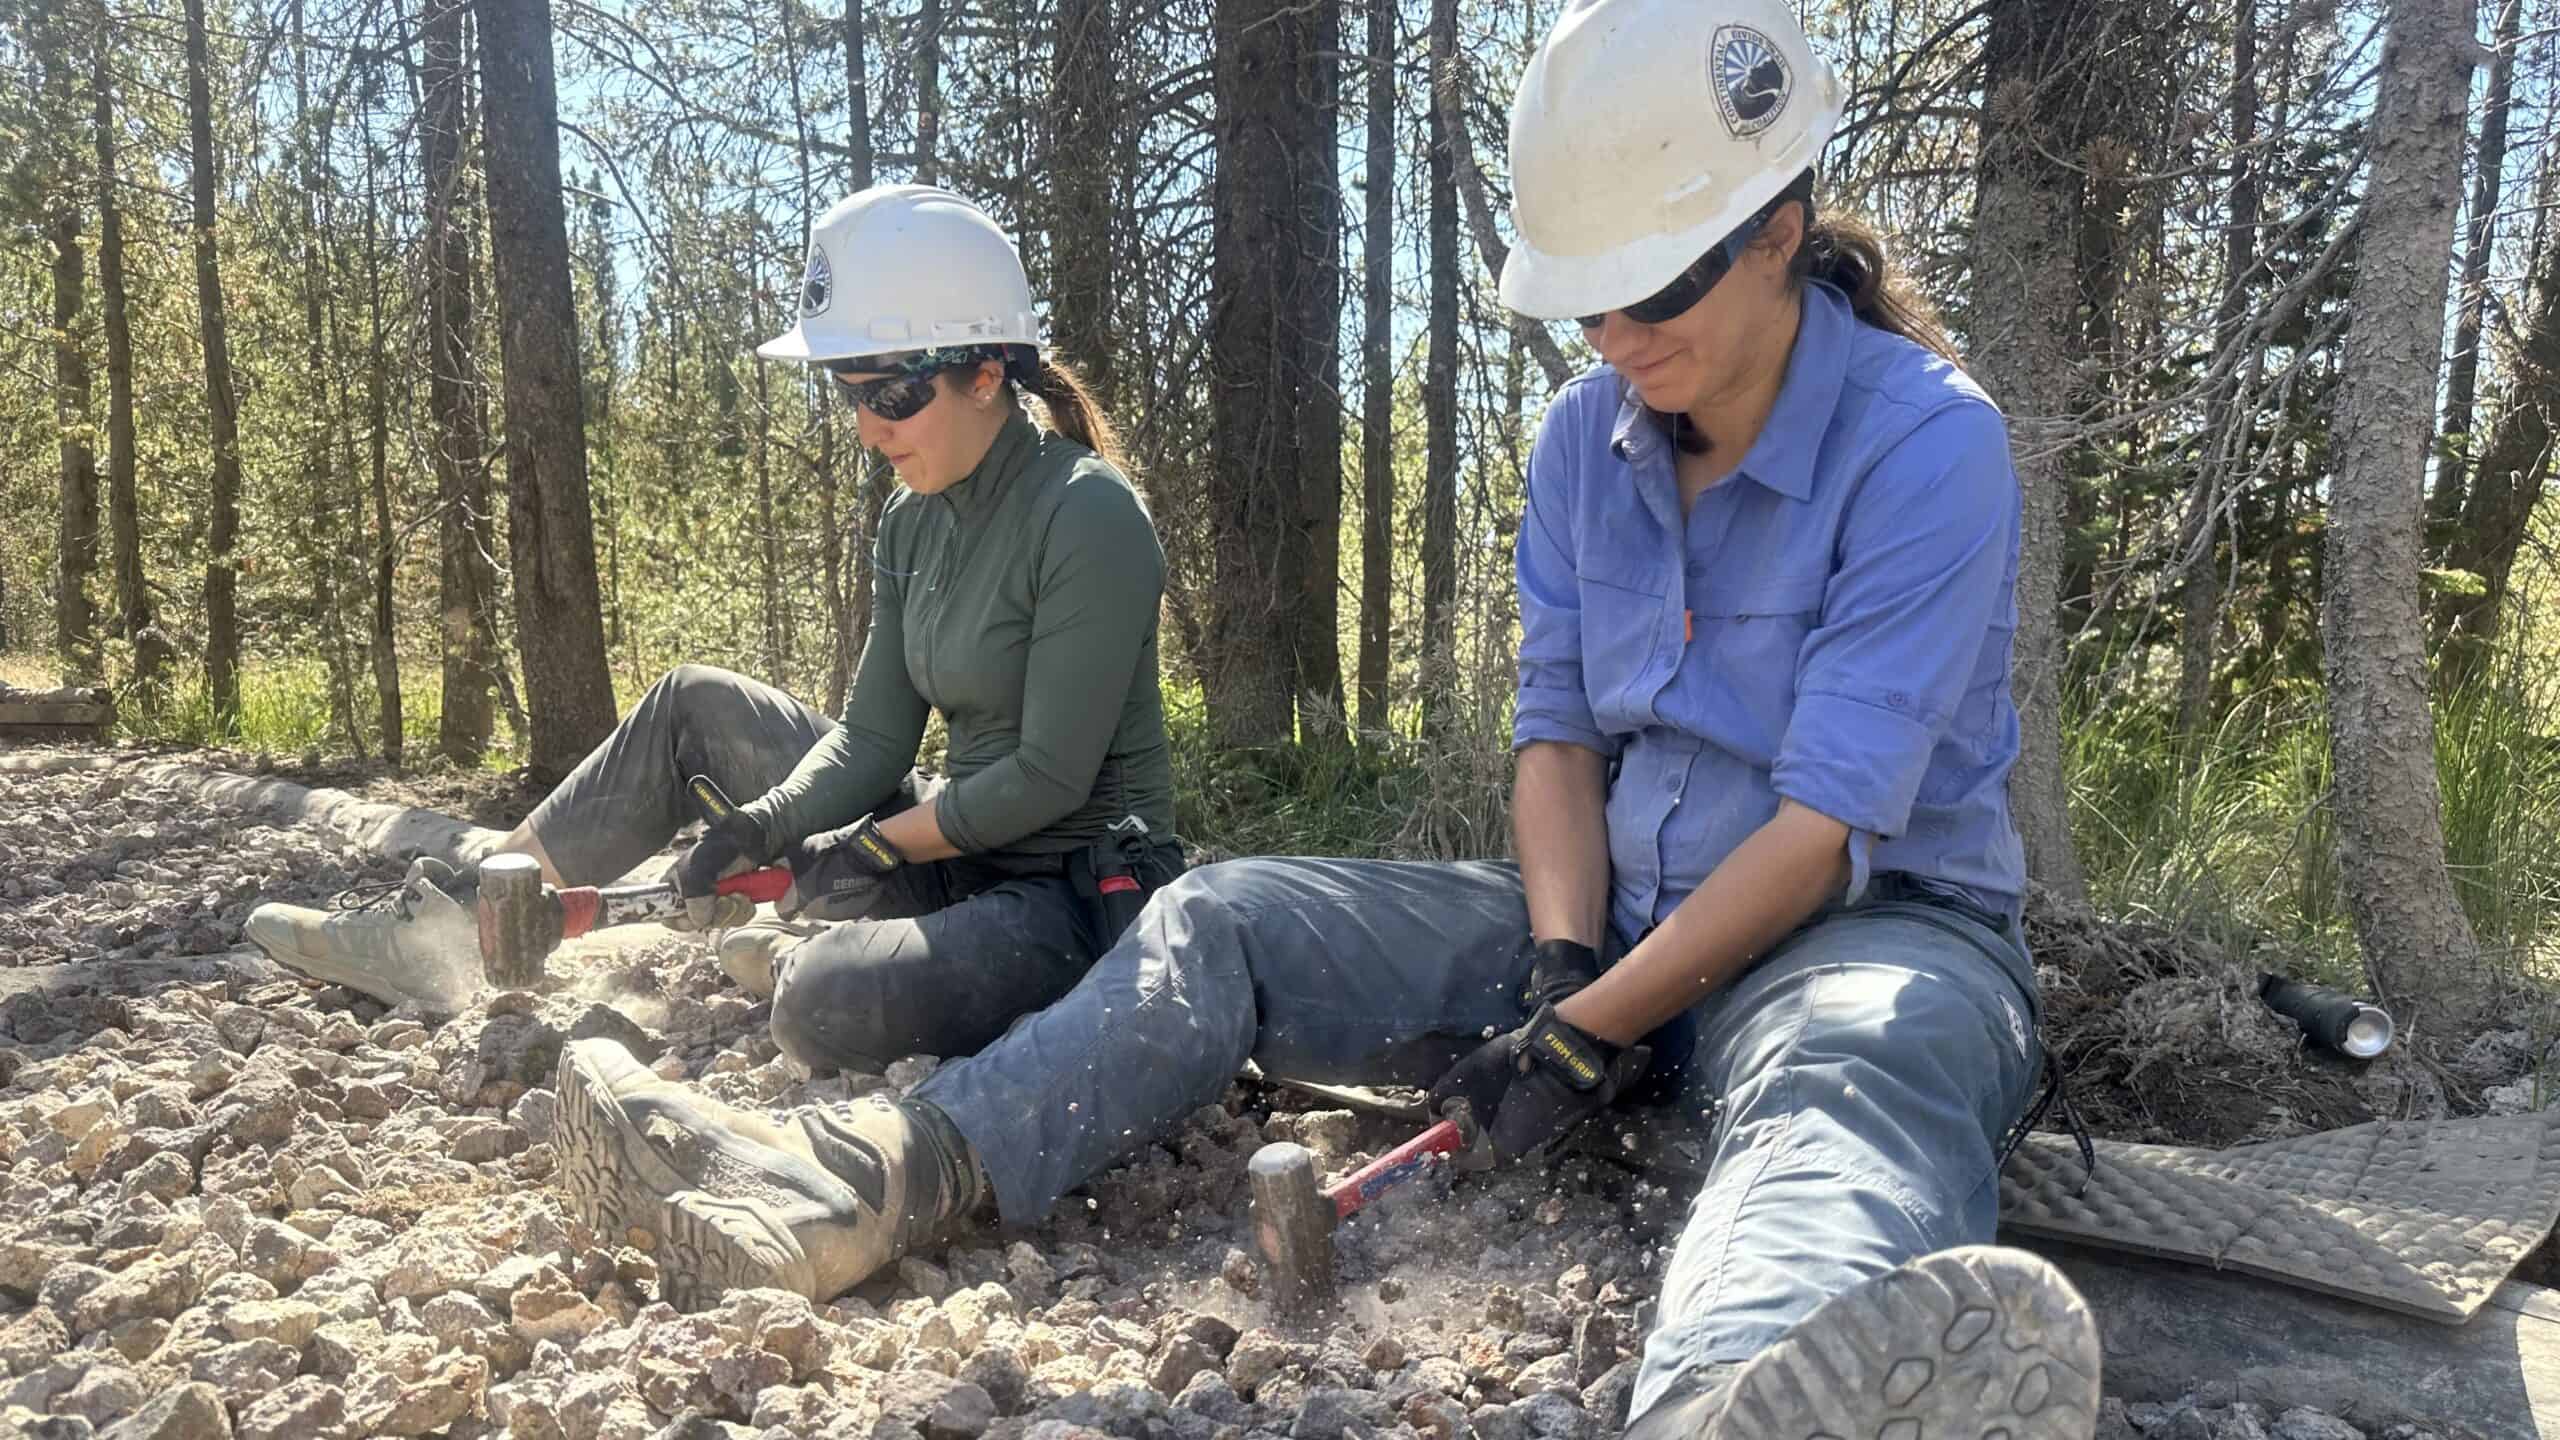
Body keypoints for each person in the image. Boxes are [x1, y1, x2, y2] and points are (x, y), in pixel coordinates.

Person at [550, 4, 2104, 1437]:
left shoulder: (1928, 447)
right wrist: (1567, 966)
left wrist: (1590, 1029)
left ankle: (1736, 1392)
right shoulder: (1588, 438)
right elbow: (1555, 735)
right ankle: (866, 1178)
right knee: (1222, 915)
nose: (1613, 339)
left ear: (1777, 229)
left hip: (1865, 931)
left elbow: (1825, 829)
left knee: (1852, 1079)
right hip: (1612, 916)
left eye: (1648, 294)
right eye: (1585, 308)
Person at [246, 184, 1185, 1078]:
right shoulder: (913, 519)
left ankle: (807, 958)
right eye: (845, 393)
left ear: (987, 373)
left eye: (889, 395)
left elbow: (1050, 779)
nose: (866, 428)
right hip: (953, 851)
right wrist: (758, 826)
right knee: (695, 698)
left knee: (827, 1002)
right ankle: (461, 928)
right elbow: (873, 739)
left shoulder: (1086, 514)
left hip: (1075, 892)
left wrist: (875, 848)